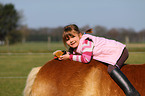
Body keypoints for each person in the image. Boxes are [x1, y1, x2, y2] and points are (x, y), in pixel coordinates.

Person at [59, 24, 140, 96]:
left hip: (119, 51)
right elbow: (71, 53)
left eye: (73, 37)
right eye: (67, 39)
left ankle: (131, 92)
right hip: (109, 54)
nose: (71, 41)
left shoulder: (86, 42)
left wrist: (69, 57)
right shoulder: (75, 46)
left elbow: (86, 59)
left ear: (80, 35)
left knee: (111, 69)